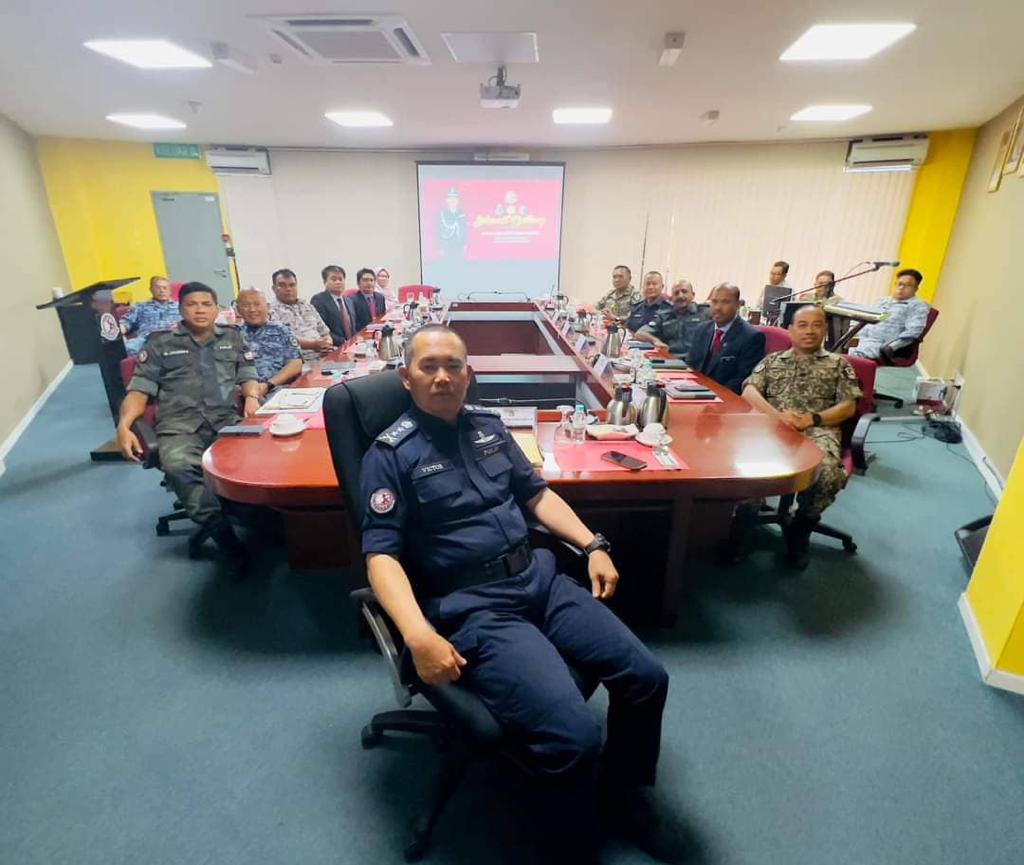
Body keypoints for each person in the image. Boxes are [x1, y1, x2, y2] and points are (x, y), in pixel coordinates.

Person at [360, 324, 683, 864]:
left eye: (453, 366)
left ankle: (623, 794)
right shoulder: (389, 454)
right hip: (476, 607)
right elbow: (381, 556)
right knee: (575, 737)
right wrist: (417, 635)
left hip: (540, 579)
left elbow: (535, 494)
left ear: (469, 375)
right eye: (428, 367)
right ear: (406, 377)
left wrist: (592, 544)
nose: (442, 377)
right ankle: (569, 845)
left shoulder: (488, 427)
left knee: (647, 678)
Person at [116, 282, 259, 578]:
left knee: (262, 459)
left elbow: (247, 373)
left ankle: (263, 520)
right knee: (179, 466)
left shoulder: (232, 338)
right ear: (180, 309)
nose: (200, 310)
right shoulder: (160, 345)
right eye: (192, 304)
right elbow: (139, 391)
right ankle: (225, 538)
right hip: (179, 426)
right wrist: (124, 425)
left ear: (217, 308)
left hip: (226, 422)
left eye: (207, 304)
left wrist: (252, 397)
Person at [742, 305, 862, 567]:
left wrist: (813, 419)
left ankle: (801, 528)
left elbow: (849, 406)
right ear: (790, 330)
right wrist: (777, 416)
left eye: (817, 325)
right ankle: (745, 522)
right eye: (803, 325)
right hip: (771, 427)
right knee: (743, 465)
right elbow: (749, 392)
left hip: (818, 429)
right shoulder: (772, 361)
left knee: (827, 474)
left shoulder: (839, 364)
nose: (810, 331)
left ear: (825, 329)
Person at [686, 283, 766, 393]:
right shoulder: (702, 329)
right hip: (693, 391)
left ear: (738, 305)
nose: (718, 308)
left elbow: (743, 379)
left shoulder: (751, 337)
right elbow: (691, 364)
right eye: (714, 302)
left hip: (723, 396)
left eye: (725, 302)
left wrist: (709, 394)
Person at [850, 268, 931, 361]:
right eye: (899, 284)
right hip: (861, 338)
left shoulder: (917, 305)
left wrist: (891, 347)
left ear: (916, 289)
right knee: (838, 347)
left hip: (879, 344)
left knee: (849, 357)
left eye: (908, 285)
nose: (901, 287)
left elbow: (912, 332)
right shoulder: (884, 301)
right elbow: (873, 318)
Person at [236, 288, 302, 396]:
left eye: (257, 304)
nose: (252, 309)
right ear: (239, 310)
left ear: (267, 307)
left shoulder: (281, 330)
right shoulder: (232, 335)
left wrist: (268, 385)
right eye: (246, 305)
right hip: (244, 394)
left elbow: (296, 364)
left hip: (278, 389)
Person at [268, 268, 332, 363]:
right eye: (282, 285)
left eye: (292, 285)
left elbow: (325, 333)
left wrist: (327, 344)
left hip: (323, 357)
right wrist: (314, 345)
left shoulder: (307, 306)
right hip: (299, 362)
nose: (288, 289)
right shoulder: (271, 312)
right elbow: (285, 340)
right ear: (274, 288)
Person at [633, 279, 708, 356]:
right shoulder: (665, 316)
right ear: (672, 298)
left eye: (684, 291)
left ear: (693, 295)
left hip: (695, 361)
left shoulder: (705, 313)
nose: (680, 296)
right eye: (676, 293)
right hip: (671, 359)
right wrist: (655, 340)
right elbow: (640, 333)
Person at [119, 275, 181, 354]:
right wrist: (117, 332)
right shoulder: (140, 307)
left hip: (173, 337)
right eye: (158, 288)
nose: (162, 291)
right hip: (146, 340)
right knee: (125, 349)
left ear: (170, 290)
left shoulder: (180, 307)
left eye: (165, 288)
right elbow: (126, 322)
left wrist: (180, 326)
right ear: (151, 290)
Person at [310, 265, 358, 345]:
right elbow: (319, 329)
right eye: (334, 279)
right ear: (325, 282)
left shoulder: (349, 301)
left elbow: (352, 327)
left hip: (352, 345)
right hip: (334, 346)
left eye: (340, 279)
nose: (338, 282)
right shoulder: (319, 300)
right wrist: (343, 342)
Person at [350, 267, 387, 332]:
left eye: (371, 280)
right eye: (365, 280)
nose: (369, 283)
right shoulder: (352, 301)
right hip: (363, 333)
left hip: (379, 331)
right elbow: (354, 324)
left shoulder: (380, 297)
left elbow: (383, 317)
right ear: (358, 283)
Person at [437, 187, 467, 259]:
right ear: (447, 200)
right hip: (447, 246)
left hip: (459, 246)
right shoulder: (442, 214)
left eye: (455, 199)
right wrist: (440, 247)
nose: (453, 201)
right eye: (450, 199)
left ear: (458, 201)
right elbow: (438, 231)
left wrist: (464, 243)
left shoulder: (461, 213)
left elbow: (464, 229)